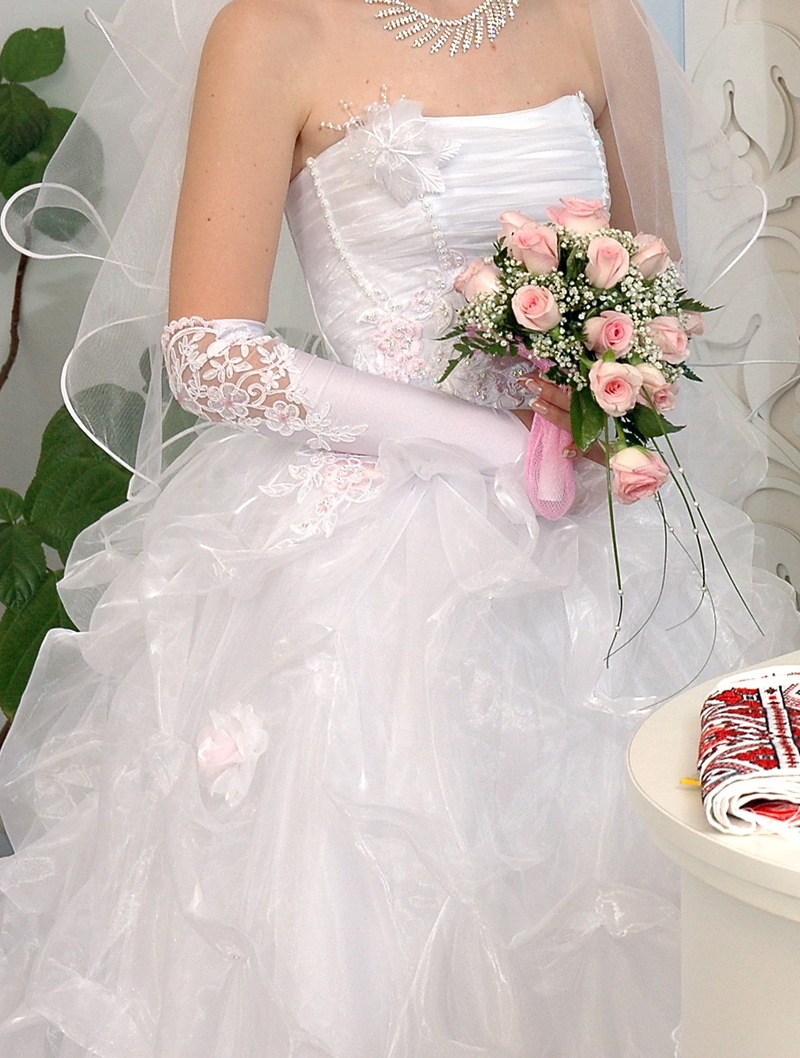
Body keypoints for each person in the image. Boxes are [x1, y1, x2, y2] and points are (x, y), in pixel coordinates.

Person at [0, 0, 797, 1055]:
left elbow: (655, 286)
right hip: (363, 552)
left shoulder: (592, 19)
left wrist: (598, 391)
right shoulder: (272, 30)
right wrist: (483, 442)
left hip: (589, 544)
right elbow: (208, 351)